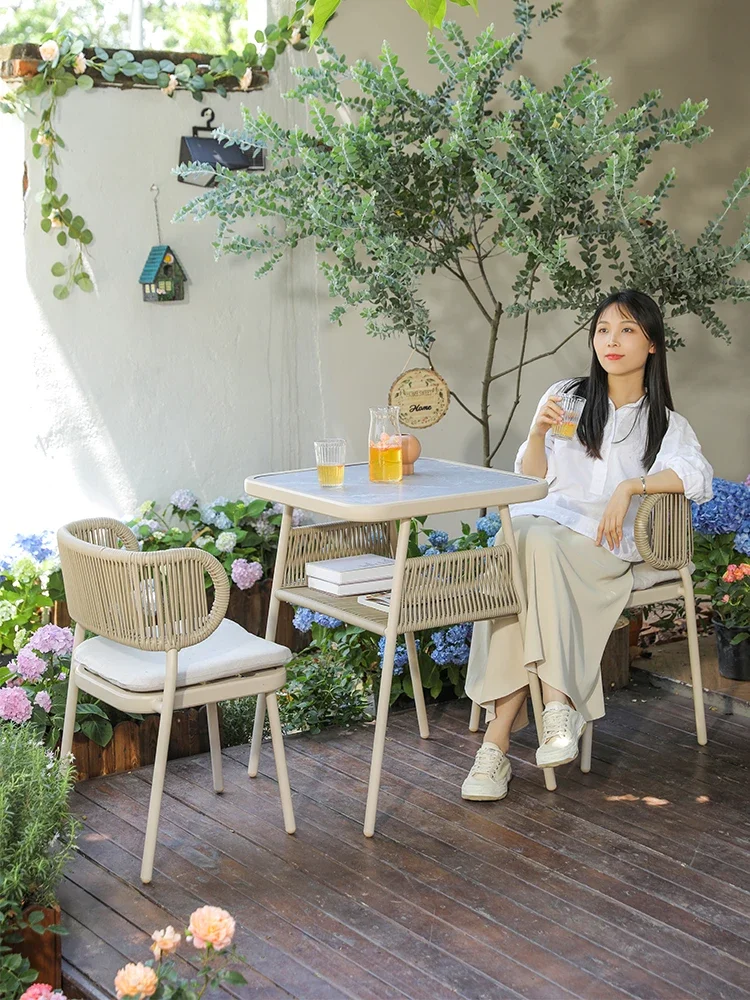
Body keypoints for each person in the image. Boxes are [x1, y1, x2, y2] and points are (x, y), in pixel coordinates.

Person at [461, 289, 713, 801]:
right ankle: (557, 708)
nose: (610, 341)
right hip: (546, 538)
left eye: (626, 330)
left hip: (602, 550)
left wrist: (632, 487)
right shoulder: (567, 397)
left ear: (652, 346)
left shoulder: (664, 423)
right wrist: (535, 435)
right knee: (531, 540)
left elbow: (698, 478)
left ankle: (495, 746)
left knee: (525, 552)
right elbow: (532, 483)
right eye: (602, 330)